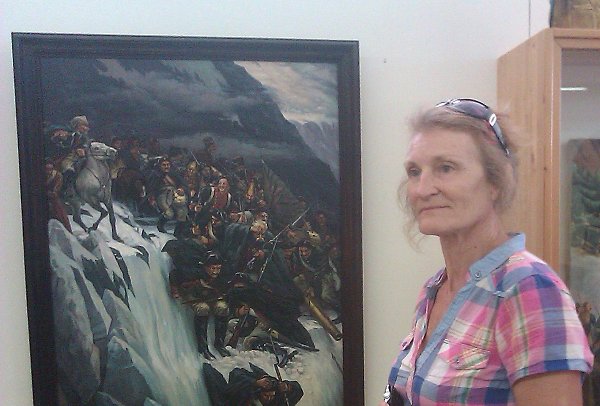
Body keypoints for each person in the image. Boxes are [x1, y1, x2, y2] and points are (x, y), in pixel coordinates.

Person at [382, 98, 594, 406]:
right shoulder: (435, 288)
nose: (422, 189)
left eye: (445, 168)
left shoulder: (529, 289)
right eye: (414, 171)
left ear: (495, 182)